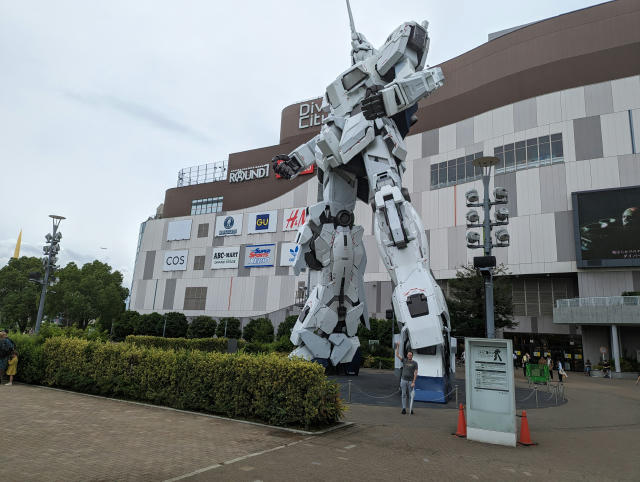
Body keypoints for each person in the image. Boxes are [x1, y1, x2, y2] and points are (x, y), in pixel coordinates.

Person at [395, 341, 418, 414]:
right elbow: (397, 355)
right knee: (403, 394)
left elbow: (415, 373)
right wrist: (398, 346)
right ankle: (404, 408)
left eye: (411, 355)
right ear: (407, 355)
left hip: (410, 381)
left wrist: (414, 382)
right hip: (403, 380)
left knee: (411, 396)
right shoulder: (404, 360)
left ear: (412, 356)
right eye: (409, 355)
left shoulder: (415, 363)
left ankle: (411, 409)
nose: (410, 356)